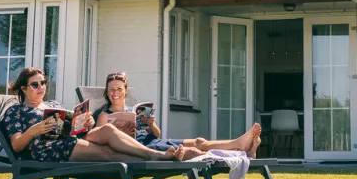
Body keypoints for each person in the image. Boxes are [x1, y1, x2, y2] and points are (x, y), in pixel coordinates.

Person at [0, 67, 187, 163]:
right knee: (107, 154)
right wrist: (34, 130)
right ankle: (157, 159)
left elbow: (68, 127)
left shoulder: (53, 105)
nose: (41, 88)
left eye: (43, 82)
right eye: (35, 84)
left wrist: (85, 122)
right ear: (23, 88)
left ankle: (155, 155)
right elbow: (16, 145)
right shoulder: (16, 112)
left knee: (107, 129)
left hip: (71, 139)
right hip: (49, 149)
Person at [93, 71, 261, 156]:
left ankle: (240, 145)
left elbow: (157, 134)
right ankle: (238, 151)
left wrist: (151, 124)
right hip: (145, 149)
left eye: (119, 89)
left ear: (126, 91)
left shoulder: (135, 111)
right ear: (107, 92)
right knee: (195, 153)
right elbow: (102, 141)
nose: (115, 93)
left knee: (199, 141)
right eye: (111, 90)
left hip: (155, 141)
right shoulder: (104, 115)